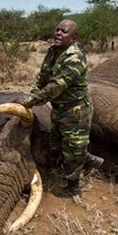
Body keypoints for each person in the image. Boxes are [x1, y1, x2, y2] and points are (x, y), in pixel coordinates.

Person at [14, 20, 103, 197]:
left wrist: (30, 101)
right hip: (58, 108)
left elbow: (56, 86)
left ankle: (73, 186)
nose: (59, 33)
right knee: (57, 143)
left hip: (75, 110)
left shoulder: (75, 57)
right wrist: (32, 93)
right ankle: (89, 159)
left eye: (64, 31)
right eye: (57, 29)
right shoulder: (52, 52)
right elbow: (42, 78)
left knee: (73, 147)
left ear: (73, 38)